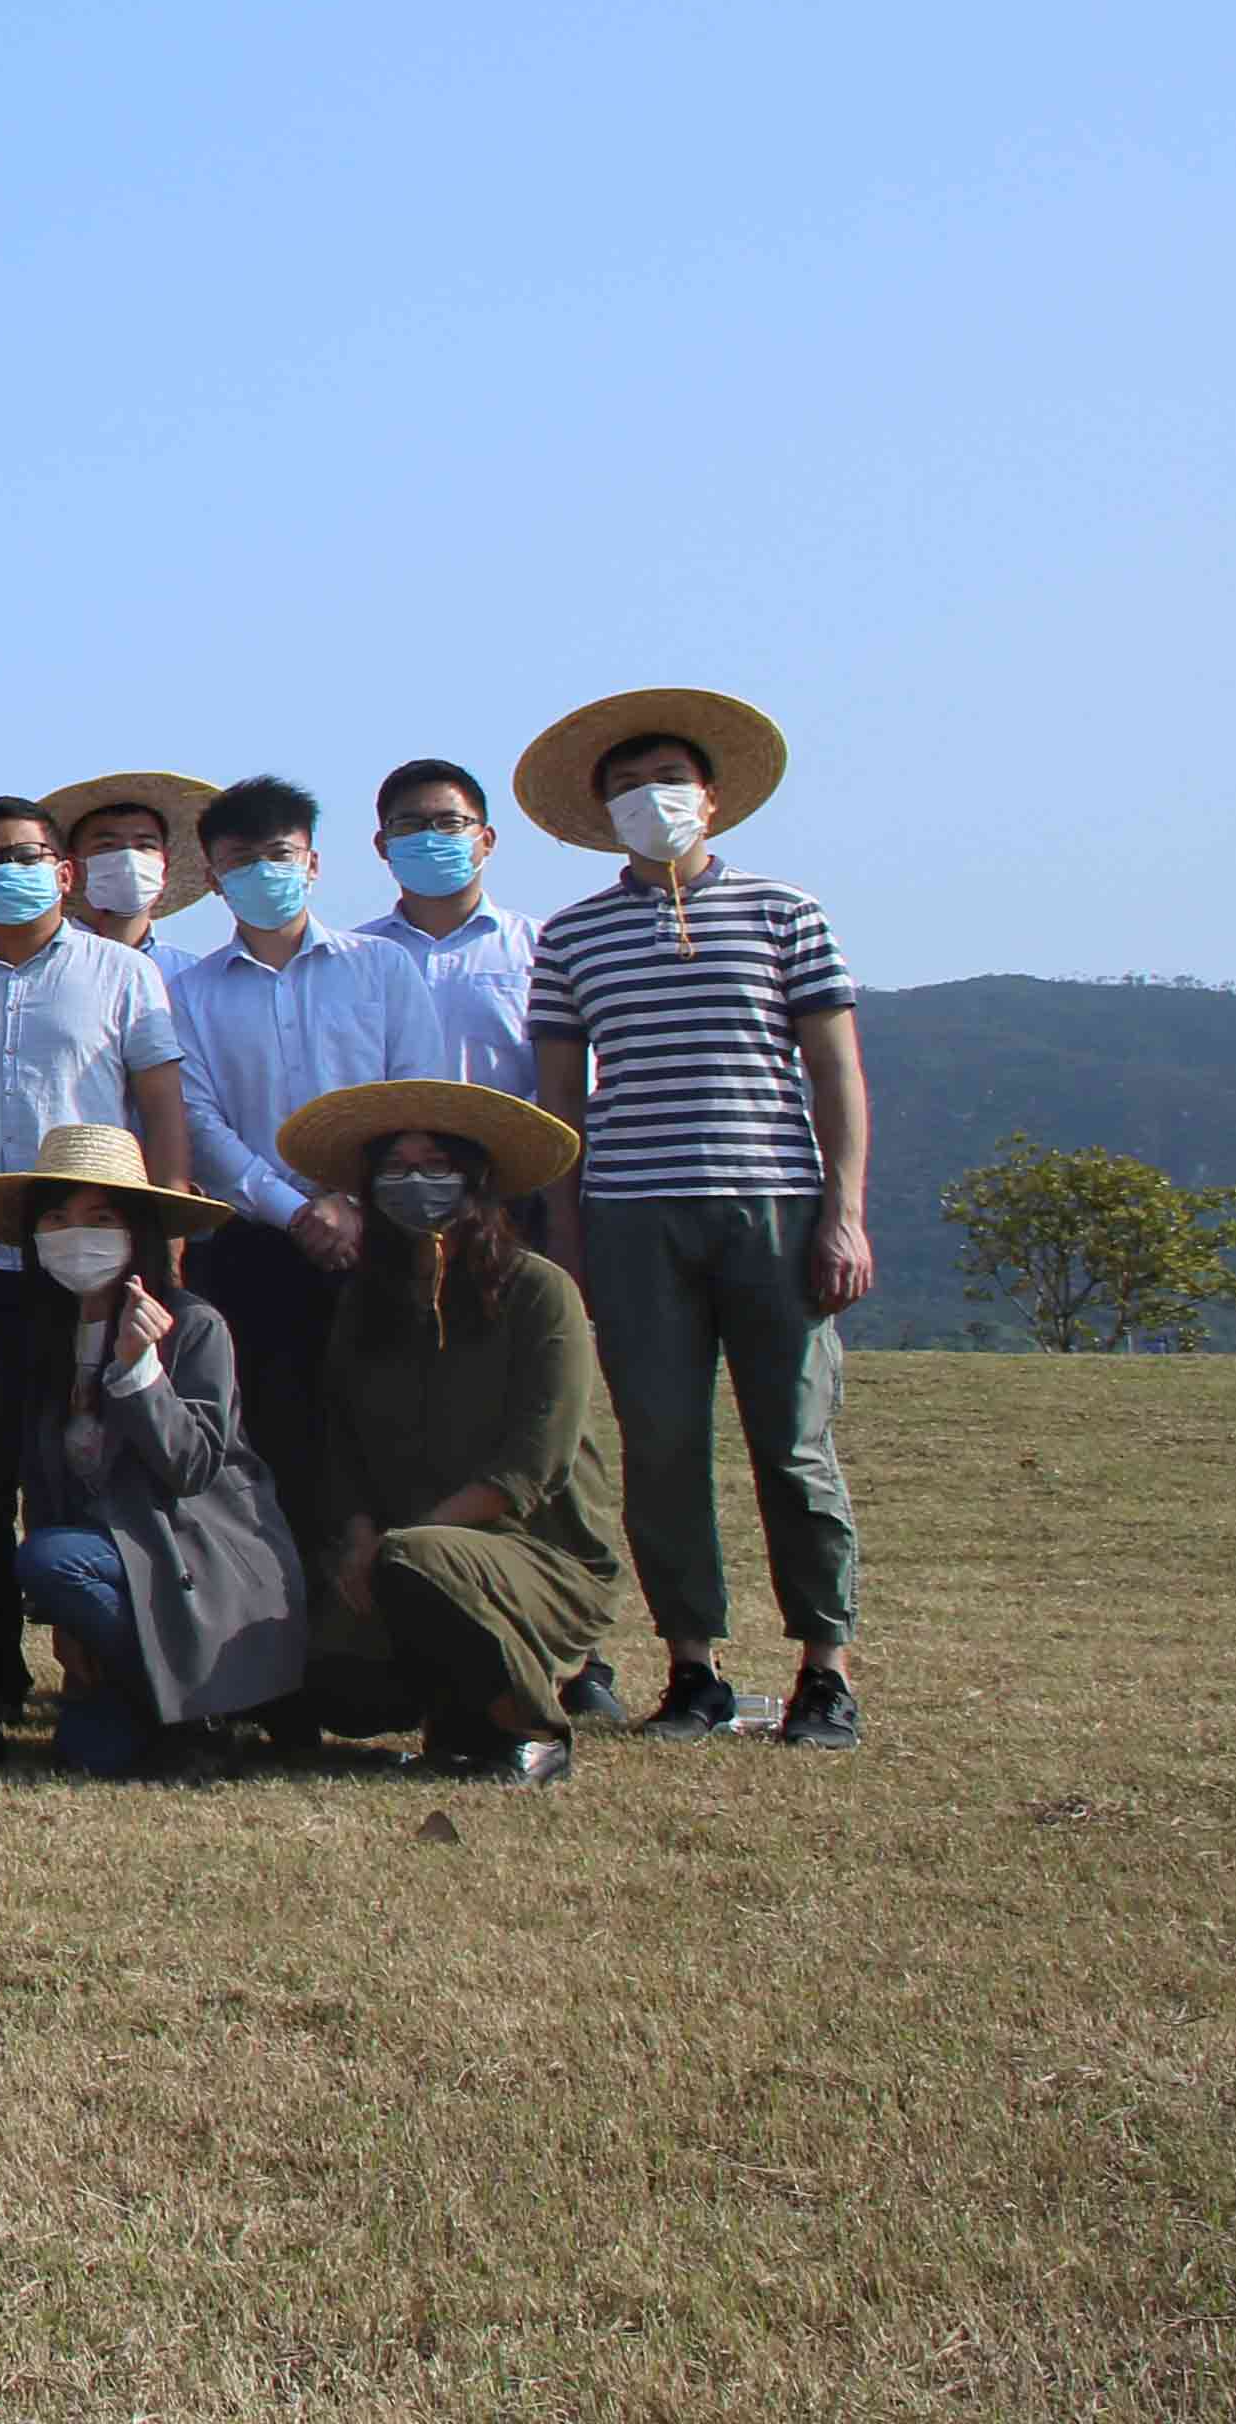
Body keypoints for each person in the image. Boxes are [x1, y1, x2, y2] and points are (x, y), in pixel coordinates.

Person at [517, 685, 870, 1751]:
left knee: (794, 1447)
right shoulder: (571, 937)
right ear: (602, 814)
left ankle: (825, 1671)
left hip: (774, 1203)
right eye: (627, 786)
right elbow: (560, 1103)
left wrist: (845, 1214)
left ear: (711, 798)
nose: (651, 799)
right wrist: (567, 1237)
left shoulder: (786, 912)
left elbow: (836, 1073)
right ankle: (693, 1668)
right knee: (662, 1449)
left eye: (668, 780)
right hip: (632, 1214)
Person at [0, 793, 200, 1753]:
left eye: (27, 856)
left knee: (86, 1468)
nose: (10, 872)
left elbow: (161, 1102)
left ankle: (110, 1668)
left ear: (64, 872)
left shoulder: (124, 973)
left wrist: (166, 1233)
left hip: (87, 1266)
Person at [162, 773, 449, 1647]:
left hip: (382, 1236)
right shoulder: (191, 992)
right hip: (253, 1247)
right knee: (273, 1436)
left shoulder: (382, 968)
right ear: (213, 878)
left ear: (314, 863)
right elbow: (201, 1123)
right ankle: (285, 1647)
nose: (263, 873)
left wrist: (355, 1204)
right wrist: (296, 1211)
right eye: (240, 859)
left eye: (279, 854)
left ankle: (393, 1637)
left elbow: (417, 1094)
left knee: (386, 1432)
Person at [0, 1122, 308, 1783]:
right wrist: (67, 1623)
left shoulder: (193, 1326)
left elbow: (191, 1467)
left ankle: (200, 1707)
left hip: (190, 1560)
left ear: (135, 1232)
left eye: (100, 1218)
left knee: (50, 1557)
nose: (75, 1235)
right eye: (57, 1218)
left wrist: (141, 1371)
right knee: (92, 1753)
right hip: (107, 1570)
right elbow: (45, 1489)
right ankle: (165, 1703)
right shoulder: (45, 1337)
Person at [280, 1078, 616, 1783]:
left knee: (421, 1561)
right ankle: (453, 1711)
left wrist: (402, 1548)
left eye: (436, 1165)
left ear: (476, 1179)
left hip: (534, 1555)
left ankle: (531, 1727)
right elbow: (342, 1445)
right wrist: (360, 1540)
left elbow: (533, 1465)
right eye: (396, 1168)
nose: (415, 1183)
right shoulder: (365, 1303)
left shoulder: (540, 1291)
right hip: (397, 1555)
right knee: (333, 1683)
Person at [356, 755, 540, 1098]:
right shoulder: (351, 957)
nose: (430, 837)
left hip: (517, 1132)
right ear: (382, 845)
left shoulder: (541, 947)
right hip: (384, 1134)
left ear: (487, 840)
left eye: (450, 822)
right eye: (409, 825)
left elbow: (568, 1075)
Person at [44, 771, 214, 952]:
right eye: (107, 846)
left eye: (145, 845)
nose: (129, 858)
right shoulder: (43, 963)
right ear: (71, 869)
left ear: (165, 865)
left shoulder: (188, 968)